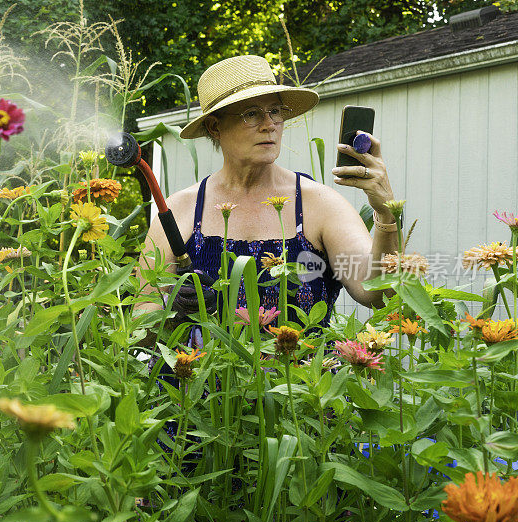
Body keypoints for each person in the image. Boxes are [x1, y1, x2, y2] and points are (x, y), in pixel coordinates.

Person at [136, 55, 400, 328]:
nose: (269, 124)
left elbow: (376, 293)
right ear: (215, 127)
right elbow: (138, 319)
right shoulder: (180, 209)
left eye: (275, 111)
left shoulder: (319, 204)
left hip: (300, 371)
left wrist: (386, 214)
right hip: (197, 370)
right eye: (251, 114)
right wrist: (169, 310)